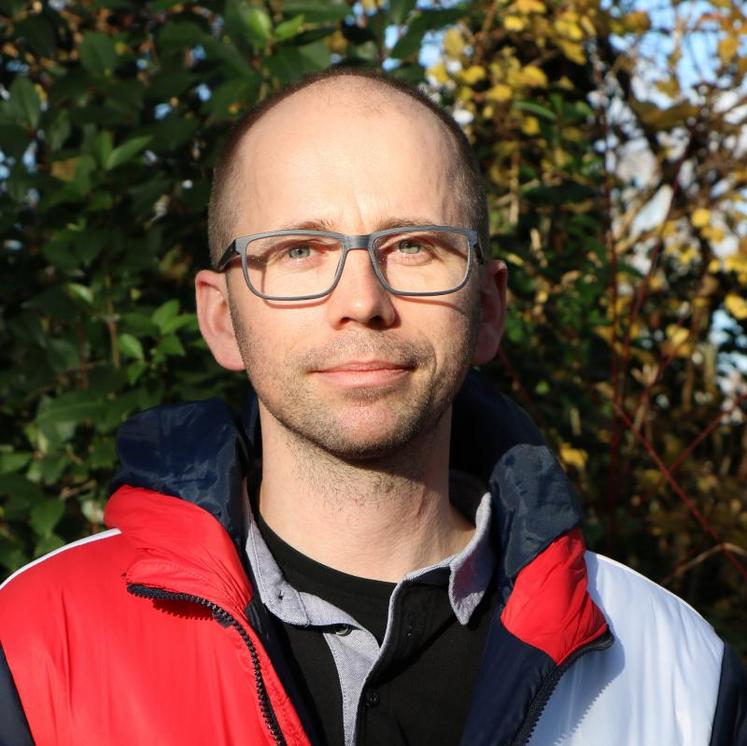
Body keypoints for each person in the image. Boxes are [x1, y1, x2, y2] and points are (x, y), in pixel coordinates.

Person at [0, 68, 744, 746]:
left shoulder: (673, 666)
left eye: (414, 246)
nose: (361, 301)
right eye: (298, 251)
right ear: (221, 317)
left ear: (487, 309)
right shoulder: (34, 642)